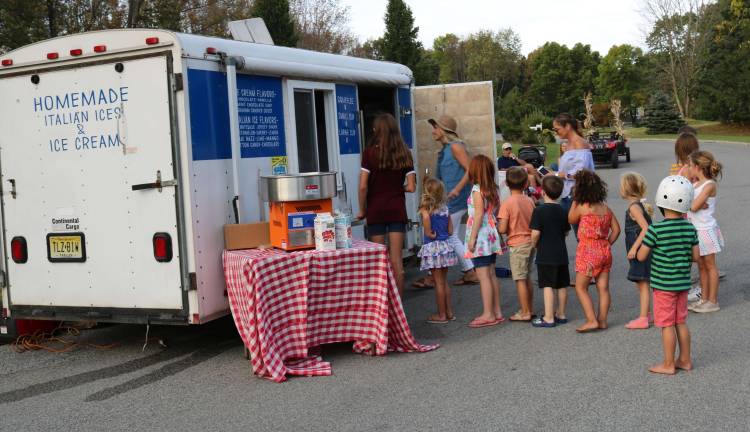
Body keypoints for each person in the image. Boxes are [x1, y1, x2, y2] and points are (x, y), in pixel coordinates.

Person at [637, 175, 698, 375]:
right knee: (680, 321)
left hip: (663, 286)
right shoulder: (690, 227)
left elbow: (641, 256)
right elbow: (696, 257)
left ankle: (668, 364)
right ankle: (685, 360)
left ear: (661, 201)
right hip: (682, 284)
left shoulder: (656, 229)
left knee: (666, 325)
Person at [412, 115, 478, 288]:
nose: (433, 131)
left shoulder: (456, 146)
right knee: (450, 235)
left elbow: (470, 169)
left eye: (435, 127)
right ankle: (467, 271)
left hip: (456, 199)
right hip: (447, 199)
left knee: (450, 235)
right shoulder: (444, 150)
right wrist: (430, 180)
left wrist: (457, 189)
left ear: (444, 130)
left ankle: (465, 272)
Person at [358, 113, 416, 296]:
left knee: (379, 260)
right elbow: (412, 187)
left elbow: (362, 187)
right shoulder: (405, 153)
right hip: (397, 209)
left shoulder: (369, 153)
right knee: (397, 261)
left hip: (376, 210)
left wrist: (362, 210)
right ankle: (398, 303)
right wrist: (397, 189)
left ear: (376, 131)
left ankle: (382, 303)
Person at [568, 170, 620, 333]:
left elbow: (570, 219)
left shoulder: (583, 207)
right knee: (603, 288)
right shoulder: (606, 209)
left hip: (588, 251)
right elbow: (616, 230)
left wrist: (574, 201)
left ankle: (591, 320)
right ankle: (602, 320)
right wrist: (606, 244)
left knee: (581, 287)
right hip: (604, 251)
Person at [465, 155, 505, 328]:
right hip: (491, 234)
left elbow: (479, 214)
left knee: (483, 276)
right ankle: (496, 311)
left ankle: (488, 313)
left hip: (480, 236)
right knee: (491, 274)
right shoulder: (493, 190)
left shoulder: (477, 190)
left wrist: (472, 239)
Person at [529, 176, 571, 328]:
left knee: (547, 285)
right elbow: (566, 232)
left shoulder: (539, 211)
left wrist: (534, 245)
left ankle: (548, 317)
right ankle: (561, 313)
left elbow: (535, 233)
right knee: (562, 285)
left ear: (543, 192)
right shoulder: (563, 210)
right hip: (561, 253)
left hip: (545, 254)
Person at [686, 150, 724, 313]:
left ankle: (713, 301)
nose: (688, 168)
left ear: (697, 167)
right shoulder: (695, 184)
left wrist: (694, 204)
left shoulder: (709, 185)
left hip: (705, 230)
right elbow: (691, 204)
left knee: (710, 266)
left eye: (689, 165)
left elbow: (692, 206)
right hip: (696, 230)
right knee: (701, 266)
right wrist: (694, 204)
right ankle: (704, 299)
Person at [417, 177, 458, 324]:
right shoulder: (445, 209)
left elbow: (428, 232)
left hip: (434, 248)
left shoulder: (425, 210)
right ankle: (449, 312)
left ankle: (441, 315)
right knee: (444, 282)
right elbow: (451, 230)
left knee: (438, 283)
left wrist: (430, 233)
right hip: (445, 246)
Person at [498, 166, 536, 322]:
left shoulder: (507, 203)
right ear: (526, 183)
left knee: (519, 278)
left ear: (506, 184)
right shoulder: (529, 201)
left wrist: (498, 225)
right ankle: (529, 307)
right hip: (531, 242)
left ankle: (525, 311)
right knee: (527, 276)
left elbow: (502, 228)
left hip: (517, 243)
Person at [620, 172, 653, 329]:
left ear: (626, 189)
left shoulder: (634, 207)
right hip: (641, 249)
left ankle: (643, 318)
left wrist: (634, 248)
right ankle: (646, 314)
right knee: (641, 282)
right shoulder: (637, 204)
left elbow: (646, 229)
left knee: (642, 282)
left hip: (640, 250)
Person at [552, 114, 595, 224]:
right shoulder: (570, 144)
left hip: (577, 195)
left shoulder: (579, 143)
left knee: (581, 231)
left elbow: (582, 173)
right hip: (568, 194)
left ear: (567, 126)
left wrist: (559, 175)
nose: (556, 133)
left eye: (557, 129)